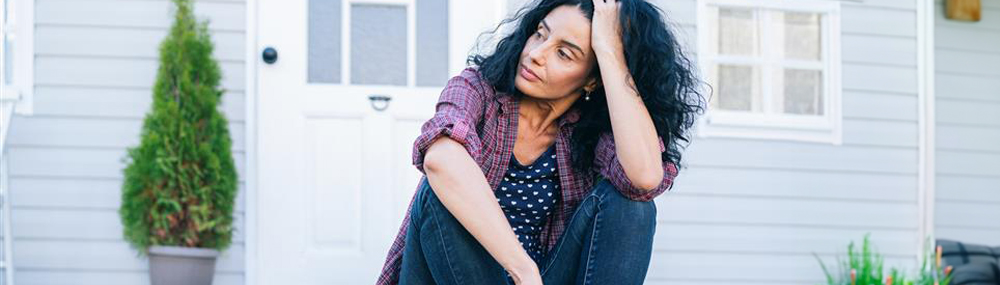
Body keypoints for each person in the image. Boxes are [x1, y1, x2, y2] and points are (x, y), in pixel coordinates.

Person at [377, 0, 705, 284]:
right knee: (442, 186)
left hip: (541, 276)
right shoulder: (477, 89)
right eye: (540, 33)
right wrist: (523, 271)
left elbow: (644, 178)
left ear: (593, 79)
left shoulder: (589, 133)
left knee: (632, 207)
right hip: (457, 274)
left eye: (564, 53)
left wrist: (610, 54)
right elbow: (441, 159)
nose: (535, 54)